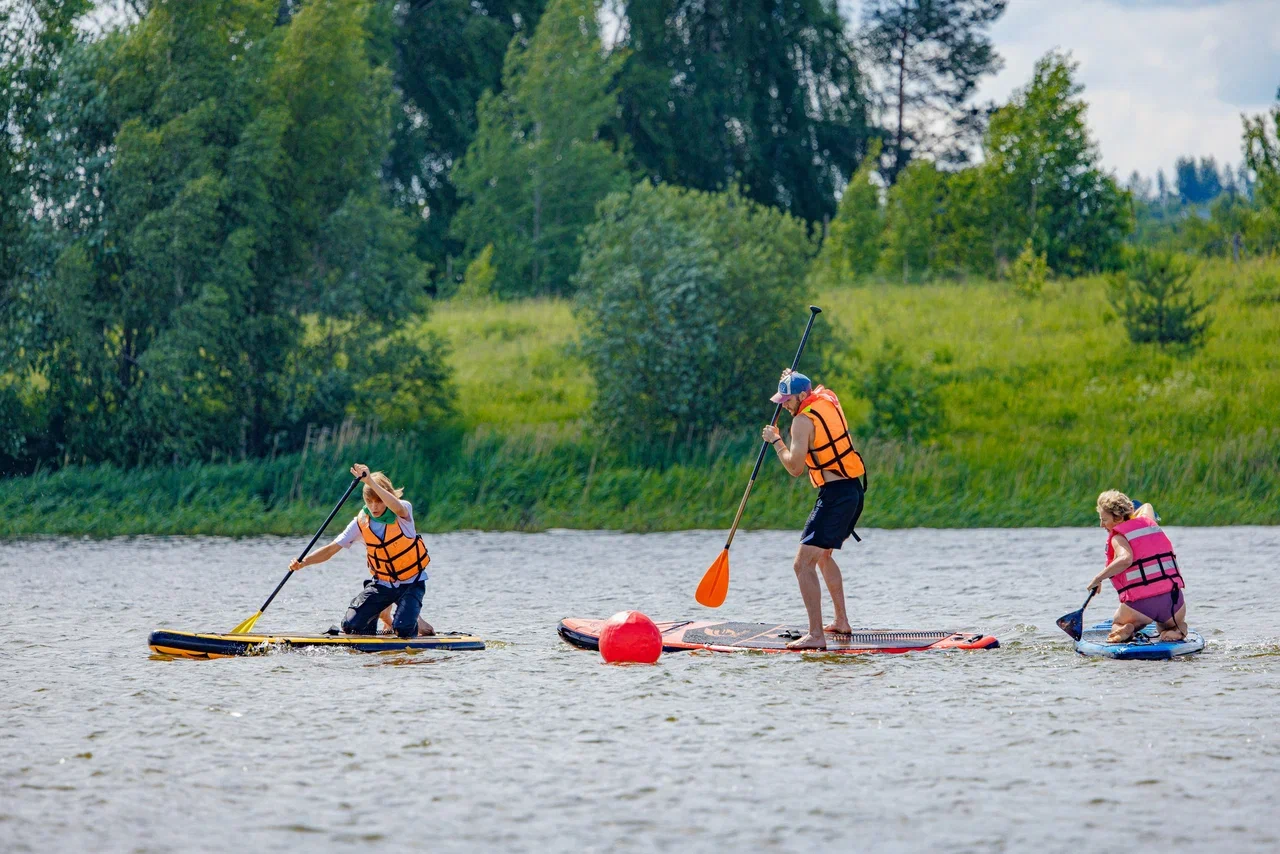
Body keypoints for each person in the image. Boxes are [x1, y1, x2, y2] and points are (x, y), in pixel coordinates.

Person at [761, 370, 867, 650]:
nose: (784, 405)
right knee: (822, 557)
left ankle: (816, 635)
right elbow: (809, 387)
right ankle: (841, 621)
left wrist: (775, 441)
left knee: (802, 564)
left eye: (787, 400)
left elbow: (795, 468)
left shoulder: (801, 422)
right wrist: (791, 377)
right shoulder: (827, 398)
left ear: (803, 396)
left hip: (835, 497)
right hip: (853, 491)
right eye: (782, 400)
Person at [289, 464, 434, 637]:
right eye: (369, 501)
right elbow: (330, 549)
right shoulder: (361, 522)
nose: (374, 507)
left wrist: (370, 481)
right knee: (352, 626)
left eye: (378, 501)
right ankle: (387, 615)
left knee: (403, 629)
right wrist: (303, 562)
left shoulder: (403, 511)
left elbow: (395, 507)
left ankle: (416, 622)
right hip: (383, 585)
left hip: (411, 583)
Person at [1088, 490, 1187, 643]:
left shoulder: (1118, 537)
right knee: (1166, 626)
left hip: (1141, 606)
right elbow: (1147, 505)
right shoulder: (1148, 520)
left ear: (1118, 517)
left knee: (1117, 622)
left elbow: (1126, 559)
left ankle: (1125, 629)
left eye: (1104, 519)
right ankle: (1177, 630)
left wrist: (1098, 578)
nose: (1102, 524)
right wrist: (1129, 513)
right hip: (1174, 603)